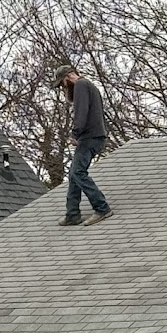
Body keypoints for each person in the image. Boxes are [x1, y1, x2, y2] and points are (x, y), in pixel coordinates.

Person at [52, 65, 113, 226]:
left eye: (62, 84)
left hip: (90, 137)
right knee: (74, 174)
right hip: (94, 136)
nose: (64, 88)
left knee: (78, 172)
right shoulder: (88, 85)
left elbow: (81, 111)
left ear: (67, 77)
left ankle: (102, 208)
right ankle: (72, 213)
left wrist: (75, 133)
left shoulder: (81, 85)